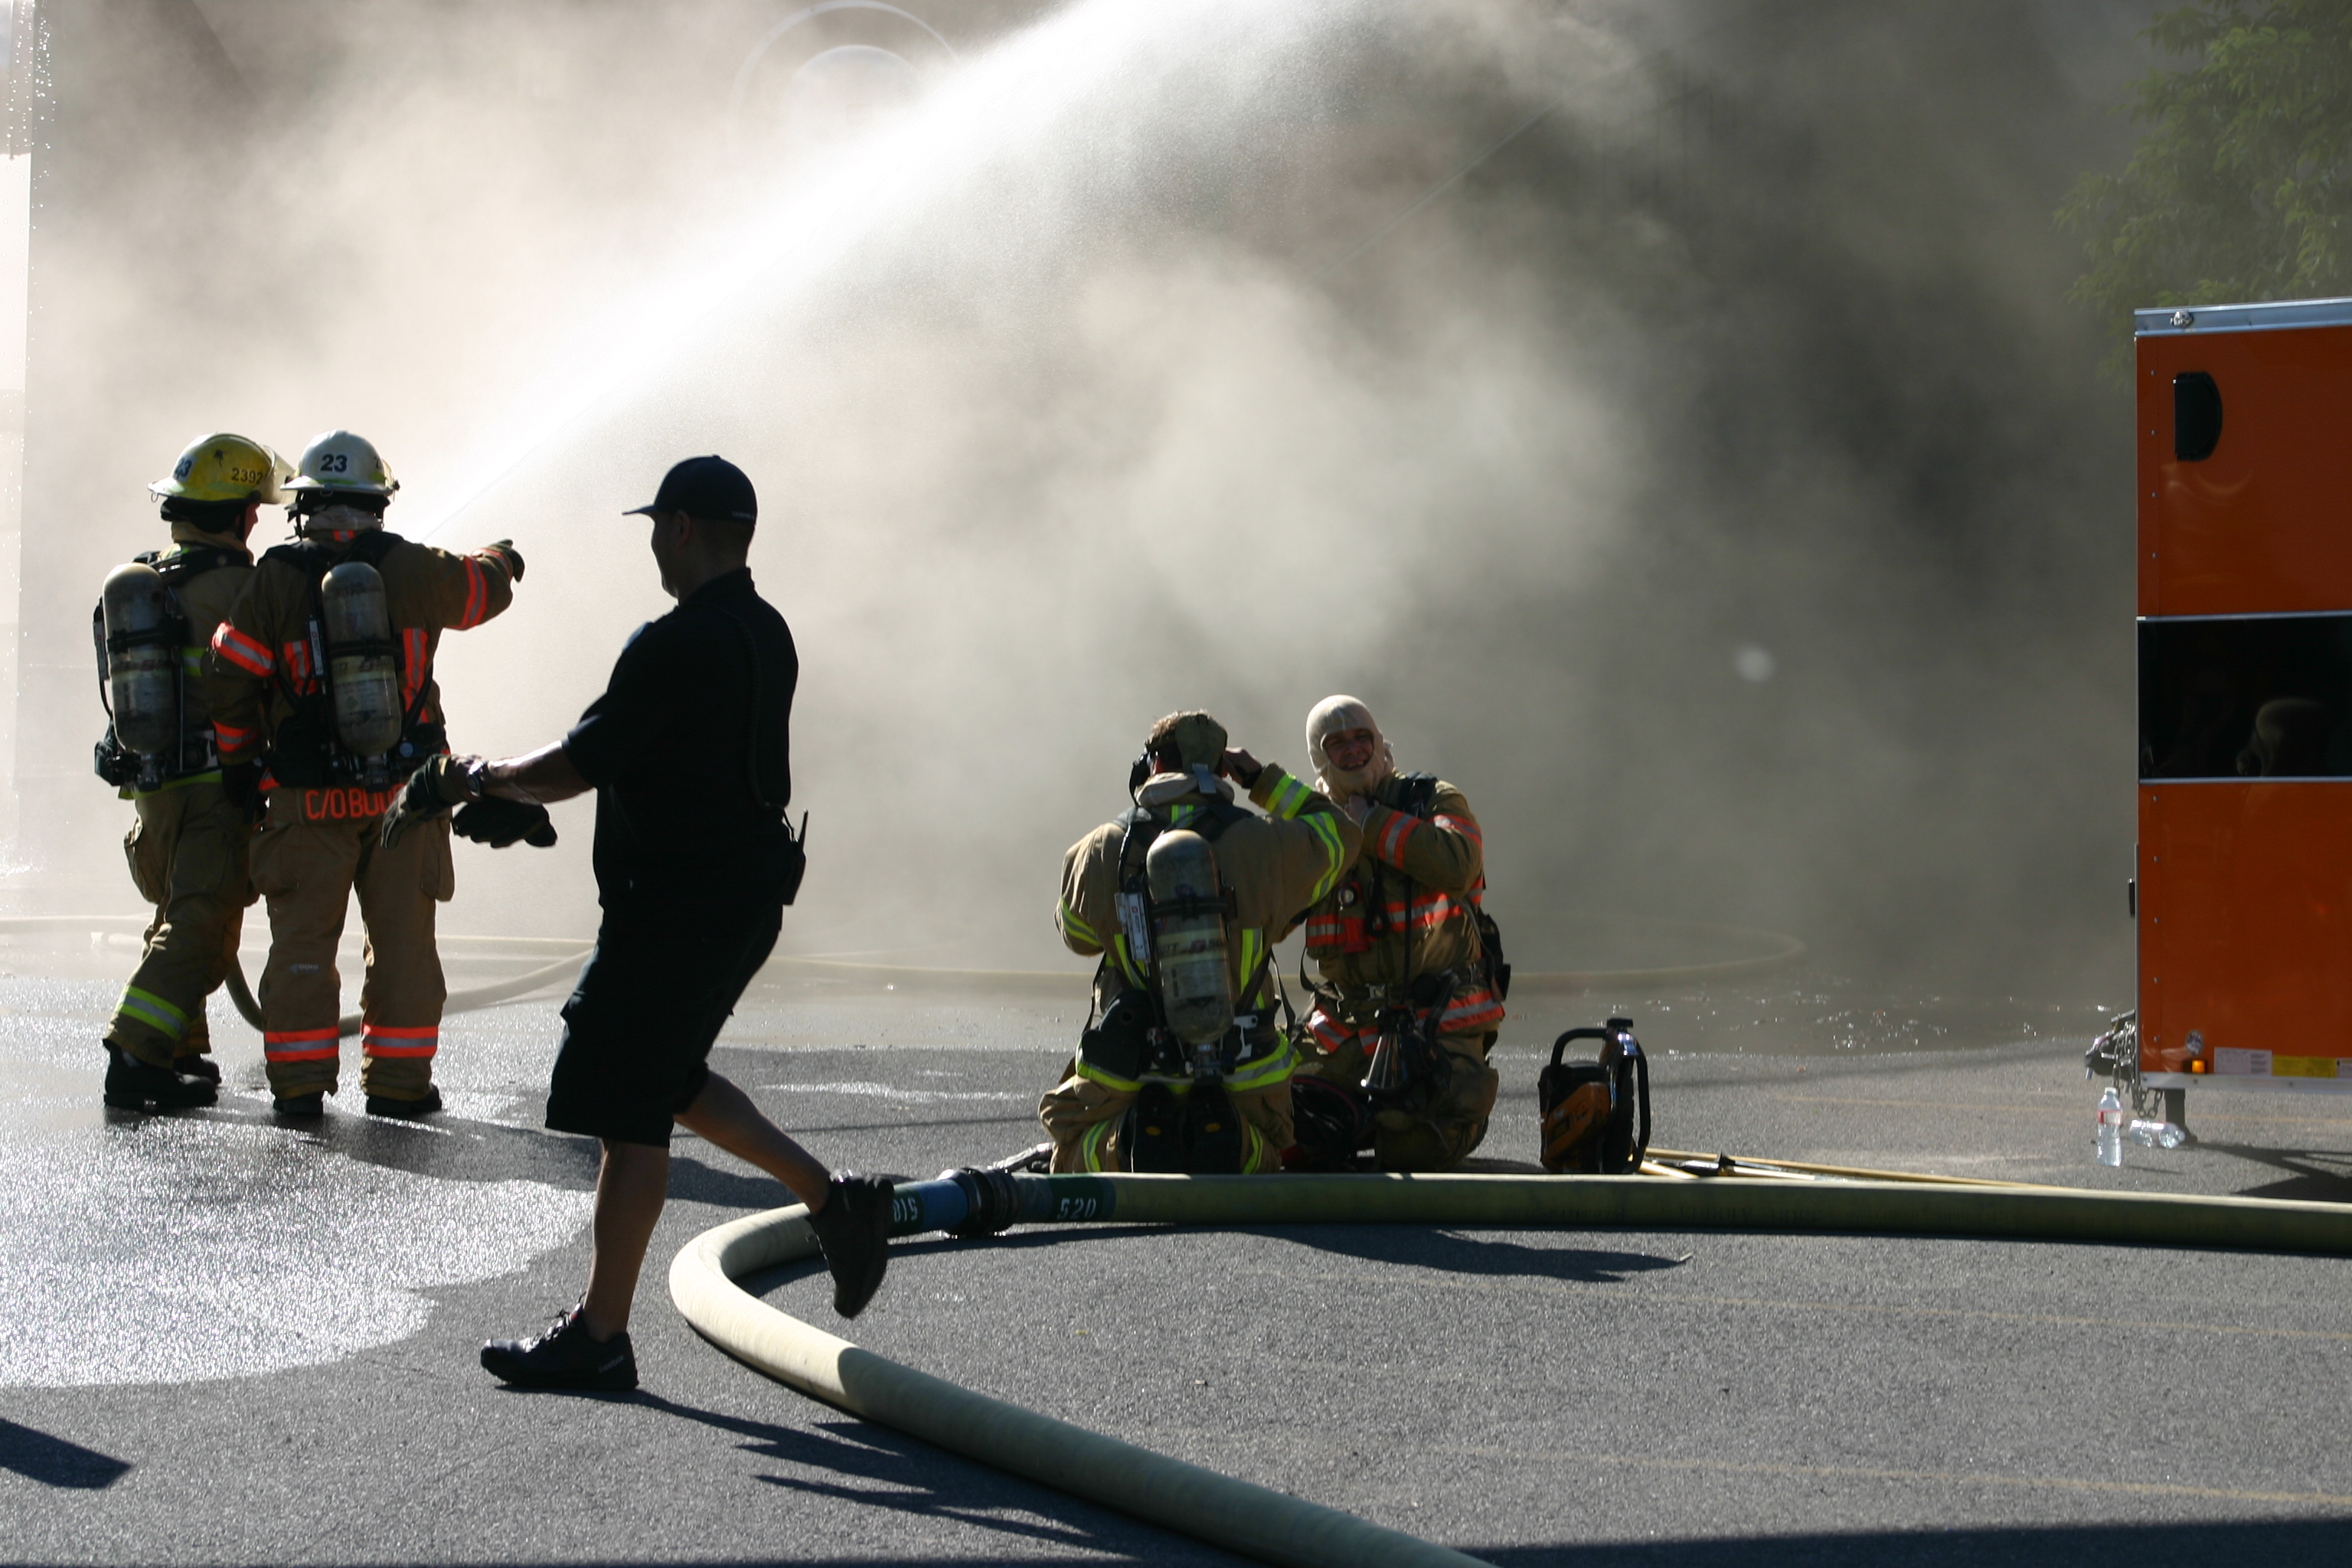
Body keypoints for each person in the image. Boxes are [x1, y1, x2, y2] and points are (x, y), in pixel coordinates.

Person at [448, 454, 890, 1392]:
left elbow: (583, 758)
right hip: (737, 900)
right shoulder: (766, 631)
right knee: (668, 1078)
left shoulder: (676, 639)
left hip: (675, 911)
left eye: (658, 525)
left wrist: (484, 778)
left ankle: (600, 1333)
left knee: (628, 1108)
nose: (652, 540)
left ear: (683, 528)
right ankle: (834, 1200)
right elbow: (675, 763)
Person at [200, 429, 524, 1118]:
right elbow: (477, 596)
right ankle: (401, 1087)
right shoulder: (410, 565)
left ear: (303, 505)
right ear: (378, 502)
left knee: (302, 950)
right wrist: (500, 559)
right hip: (406, 800)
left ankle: (298, 1087)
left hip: (305, 803)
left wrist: (239, 765)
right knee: (406, 948)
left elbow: (230, 676)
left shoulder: (275, 578)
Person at [1040, 710, 1360, 1174]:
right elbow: (1343, 833)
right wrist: (1264, 780)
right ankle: (1235, 1143)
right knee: (1269, 1147)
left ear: (1152, 766)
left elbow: (1077, 938)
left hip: (1131, 1070)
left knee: (1069, 1152)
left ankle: (1127, 1142)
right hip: (1243, 1073)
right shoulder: (1269, 844)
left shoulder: (1098, 846)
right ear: (1223, 770)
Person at [93, 433, 283, 1110]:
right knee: (202, 925)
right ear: (234, 513)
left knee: (177, 912)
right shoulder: (247, 589)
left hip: (154, 795)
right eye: (251, 509)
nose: (257, 519)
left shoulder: (150, 580)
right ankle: (134, 1051)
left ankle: (181, 1047)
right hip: (214, 787)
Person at [1276, 695, 1502, 1171]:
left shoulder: (1432, 798)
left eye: (1363, 738)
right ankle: (1353, 1117)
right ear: (1320, 758)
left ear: (1381, 743)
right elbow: (1270, 918)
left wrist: (1371, 824)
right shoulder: (1313, 825)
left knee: (1415, 1146)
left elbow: (1459, 865)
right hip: (1347, 1019)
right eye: (1338, 743)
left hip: (1434, 1017)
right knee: (1279, 1127)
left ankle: (1429, 1117)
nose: (1355, 750)